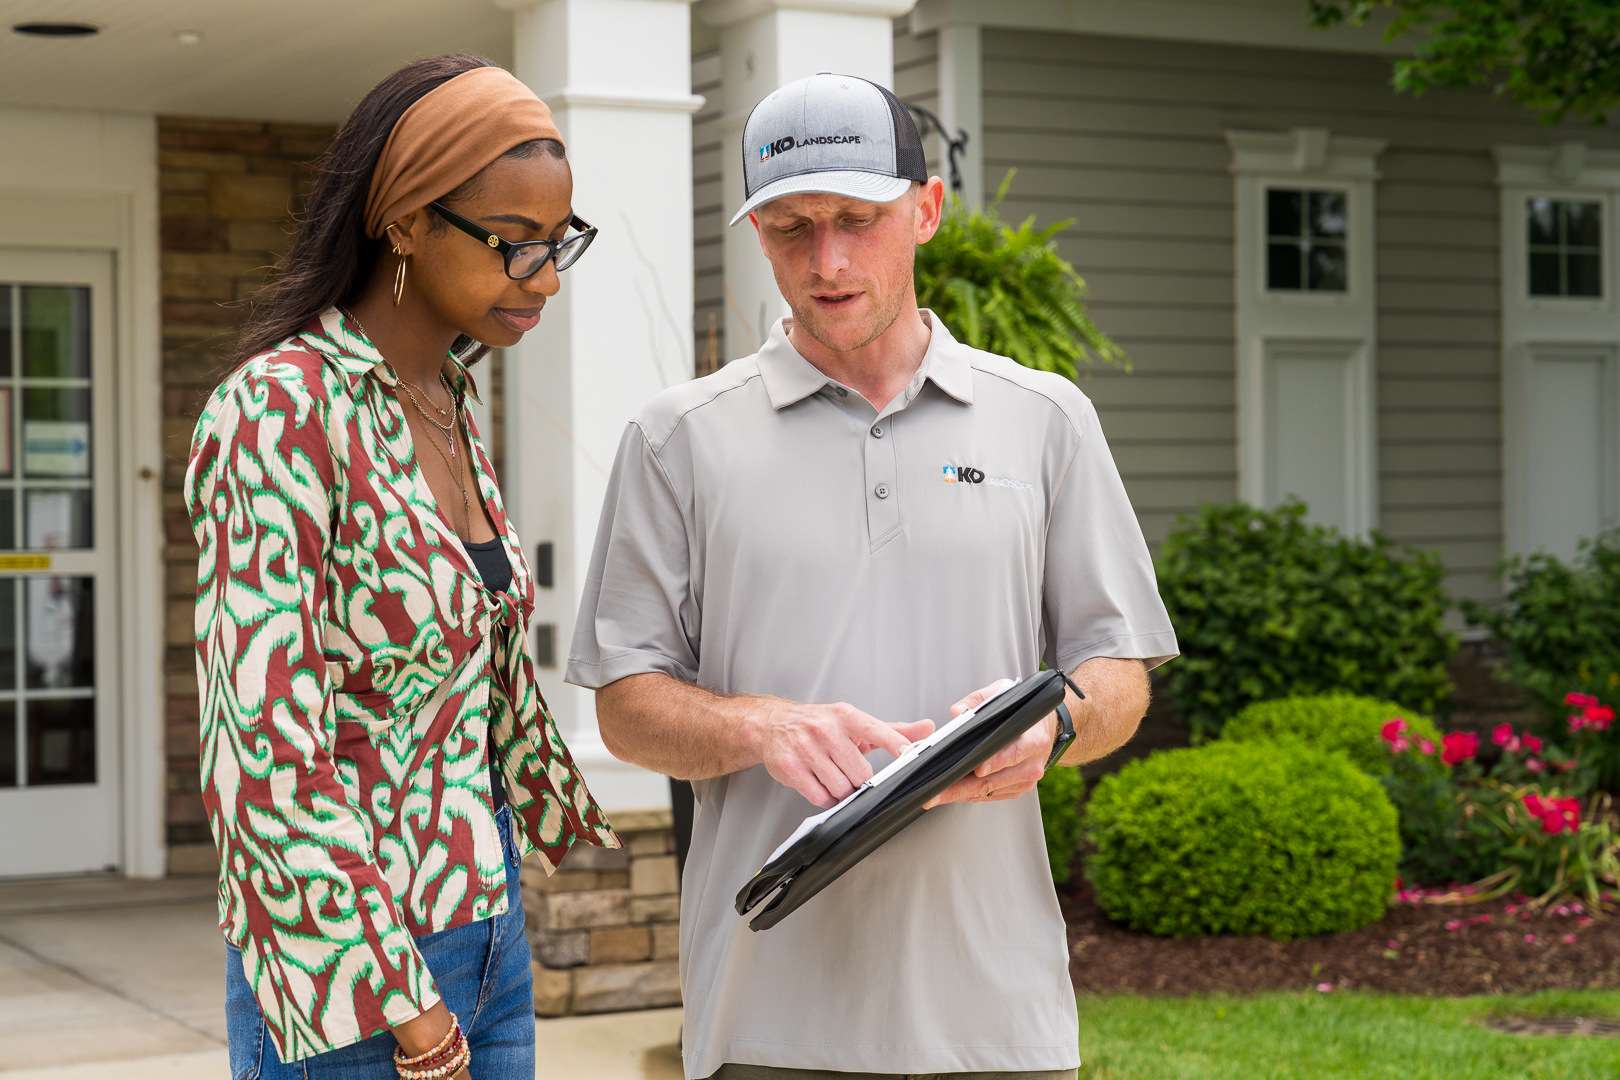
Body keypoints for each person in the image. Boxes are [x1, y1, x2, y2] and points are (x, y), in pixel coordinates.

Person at [567, 72, 1180, 1080]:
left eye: (859, 218)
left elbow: (1117, 673)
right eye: (790, 227)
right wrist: (763, 727)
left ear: (928, 210)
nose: (829, 260)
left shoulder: (1045, 419)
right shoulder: (677, 438)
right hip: (765, 1020)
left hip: (998, 1022)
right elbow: (628, 707)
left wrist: (1051, 724)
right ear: (758, 231)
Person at [184, 54, 619, 1079]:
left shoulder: (450, 400)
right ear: (408, 223)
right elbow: (261, 759)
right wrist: (411, 1013)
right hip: (352, 981)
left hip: (487, 939)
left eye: (559, 245)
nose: (546, 278)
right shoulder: (279, 411)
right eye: (516, 247)